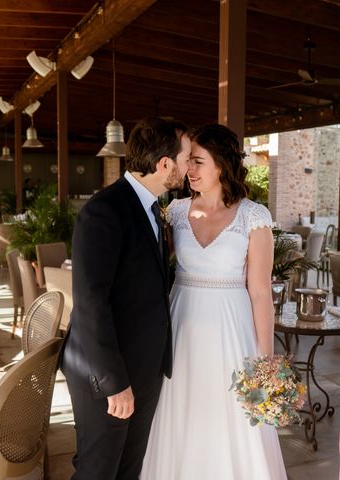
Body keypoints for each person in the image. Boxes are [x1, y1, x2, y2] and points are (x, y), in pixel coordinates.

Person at [141, 124, 287, 479]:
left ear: (220, 165)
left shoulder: (254, 216)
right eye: (188, 161)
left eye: (198, 161)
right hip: (182, 327)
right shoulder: (174, 212)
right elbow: (154, 272)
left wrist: (266, 360)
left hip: (231, 332)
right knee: (181, 410)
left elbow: (261, 292)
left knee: (231, 415)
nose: (188, 169)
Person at [60, 117, 191, 480]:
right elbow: (90, 304)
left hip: (144, 368)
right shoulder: (105, 210)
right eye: (185, 159)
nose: (188, 167)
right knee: (98, 470)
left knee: (129, 469)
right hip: (105, 373)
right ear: (165, 164)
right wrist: (113, 382)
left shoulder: (152, 209)